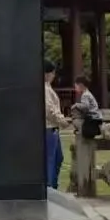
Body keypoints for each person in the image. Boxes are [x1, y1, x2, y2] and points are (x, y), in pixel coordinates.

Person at [43, 60, 65, 189]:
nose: (54, 76)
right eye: (52, 73)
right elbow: (49, 110)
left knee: (58, 158)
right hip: (49, 127)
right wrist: (61, 120)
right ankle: (49, 188)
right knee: (50, 160)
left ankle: (53, 186)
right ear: (47, 74)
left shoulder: (48, 87)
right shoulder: (45, 89)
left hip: (53, 128)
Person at [71, 76, 103, 141]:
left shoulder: (85, 95)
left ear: (81, 85)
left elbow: (85, 107)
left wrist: (76, 105)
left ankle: (82, 131)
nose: (75, 89)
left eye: (76, 87)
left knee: (75, 120)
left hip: (92, 118)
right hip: (95, 117)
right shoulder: (88, 93)